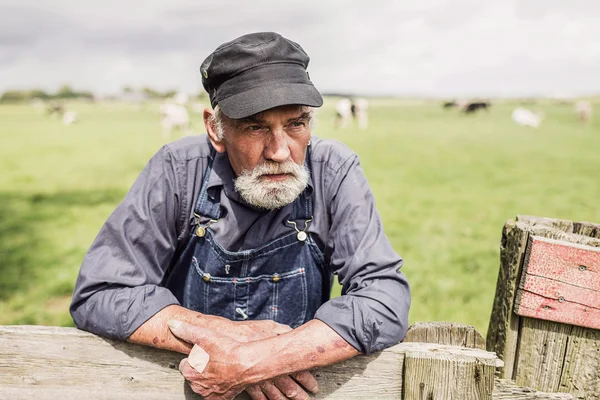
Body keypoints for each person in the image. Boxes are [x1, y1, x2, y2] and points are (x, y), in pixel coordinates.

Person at [70, 32, 410, 400]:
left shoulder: (333, 169)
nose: (280, 151)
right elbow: (101, 293)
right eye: (255, 126)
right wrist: (221, 336)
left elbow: (384, 298)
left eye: (296, 124)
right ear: (216, 129)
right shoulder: (177, 171)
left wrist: (262, 359)